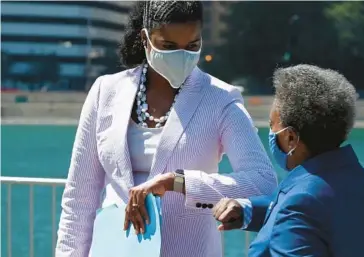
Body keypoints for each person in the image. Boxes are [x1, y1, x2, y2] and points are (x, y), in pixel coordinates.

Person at [55, 1, 277, 257]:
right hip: (113, 248)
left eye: (192, 46)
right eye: (169, 47)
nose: (181, 56)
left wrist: (179, 182)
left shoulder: (221, 99)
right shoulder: (106, 91)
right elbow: (79, 198)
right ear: (145, 38)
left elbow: (263, 182)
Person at [213, 64, 364, 257]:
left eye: (272, 125)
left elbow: (299, 209)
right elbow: (313, 216)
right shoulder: (359, 180)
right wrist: (247, 209)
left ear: (291, 138)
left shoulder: (301, 200)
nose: (270, 132)